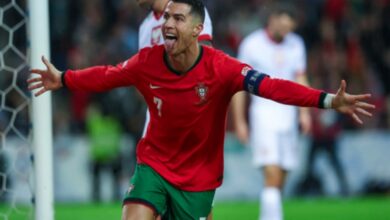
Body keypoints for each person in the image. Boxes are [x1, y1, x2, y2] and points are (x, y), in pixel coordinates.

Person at [27, 0, 374, 219]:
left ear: (198, 30)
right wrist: (65, 78)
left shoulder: (222, 68)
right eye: (166, 18)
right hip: (155, 163)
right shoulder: (147, 60)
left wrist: (327, 100)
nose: (167, 24)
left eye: (177, 19)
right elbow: (108, 75)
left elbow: (273, 87)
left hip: (198, 175)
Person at [231, 4, 310, 220]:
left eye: (290, 28)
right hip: (263, 116)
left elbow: (300, 79)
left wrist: (305, 113)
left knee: (281, 177)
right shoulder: (252, 45)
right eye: (283, 26)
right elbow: (238, 86)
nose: (286, 32)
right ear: (273, 19)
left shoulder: (296, 44)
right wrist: (239, 121)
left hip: (289, 117)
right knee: (272, 175)